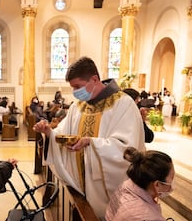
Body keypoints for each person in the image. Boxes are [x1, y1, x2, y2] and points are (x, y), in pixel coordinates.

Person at [33, 56, 145, 219]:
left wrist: (91, 143)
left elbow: (128, 150)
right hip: (80, 187)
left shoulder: (123, 104)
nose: (75, 92)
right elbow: (63, 134)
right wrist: (49, 132)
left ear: (94, 79)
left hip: (109, 193)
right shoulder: (78, 107)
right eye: (72, 88)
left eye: (78, 86)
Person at [105, 147, 175, 221]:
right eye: (172, 177)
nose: (173, 182)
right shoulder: (148, 217)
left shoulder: (128, 185)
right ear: (157, 184)